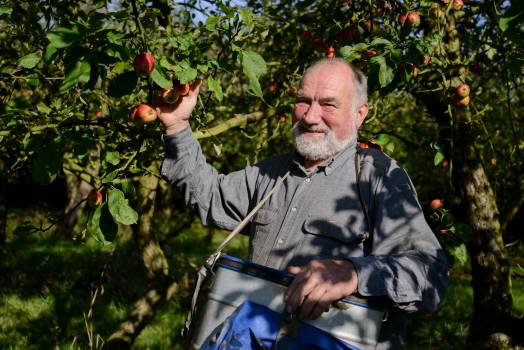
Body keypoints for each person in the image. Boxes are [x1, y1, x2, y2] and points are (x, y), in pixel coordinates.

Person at [158, 58, 448, 349]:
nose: (310, 116)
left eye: (328, 104)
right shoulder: (274, 172)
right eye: (302, 101)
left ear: (359, 114)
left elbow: (430, 274)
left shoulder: (380, 178)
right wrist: (178, 127)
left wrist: (353, 273)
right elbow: (210, 196)